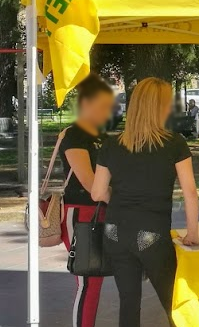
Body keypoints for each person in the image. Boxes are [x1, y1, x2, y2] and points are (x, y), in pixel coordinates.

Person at [91, 77, 199, 327]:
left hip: (115, 231)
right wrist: (192, 232)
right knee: (175, 303)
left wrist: (117, 199)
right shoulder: (174, 143)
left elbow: (97, 193)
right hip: (151, 233)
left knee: (128, 302)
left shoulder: (112, 144)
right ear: (160, 106)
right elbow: (190, 192)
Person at [59, 74, 115, 327]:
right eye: (102, 105)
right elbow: (91, 185)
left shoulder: (99, 136)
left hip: (96, 212)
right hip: (80, 212)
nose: (107, 111)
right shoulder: (75, 136)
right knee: (88, 281)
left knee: (94, 279)